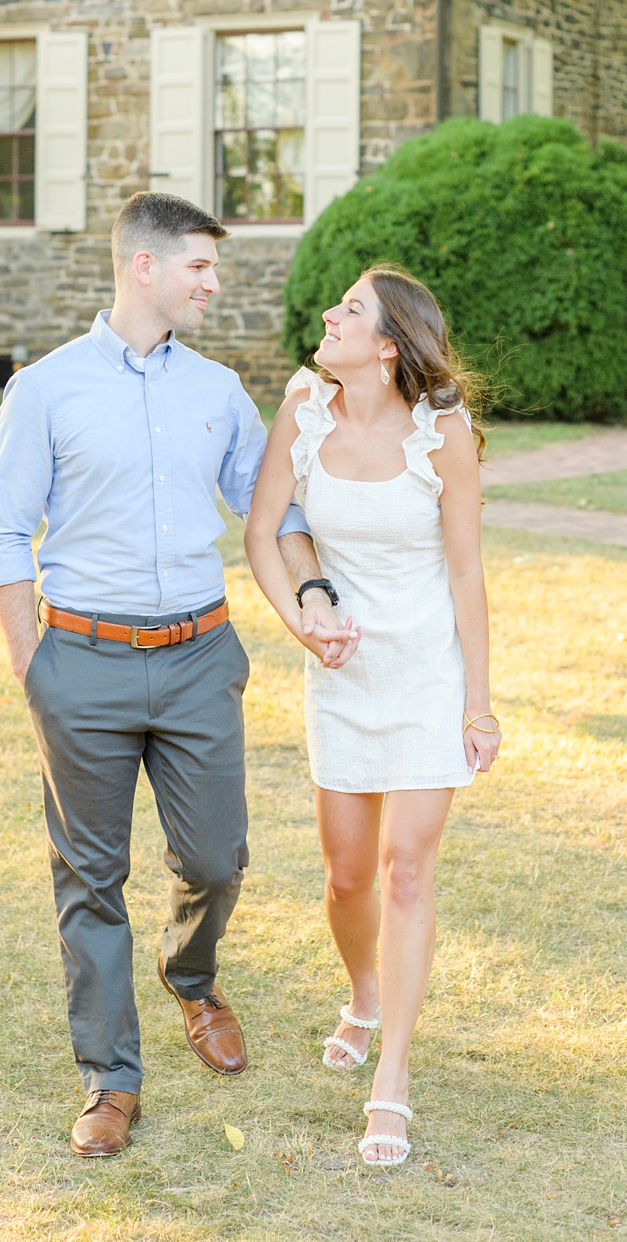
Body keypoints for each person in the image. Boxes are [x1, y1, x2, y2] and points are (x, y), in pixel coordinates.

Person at [0, 190, 330, 1158]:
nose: (216, 284)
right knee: (91, 876)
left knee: (217, 858)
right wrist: (33, 668)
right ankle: (109, 1076)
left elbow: (276, 513)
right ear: (145, 266)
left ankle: (193, 974)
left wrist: (315, 596)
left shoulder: (218, 391)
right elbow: (4, 538)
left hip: (199, 656)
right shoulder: (44, 389)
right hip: (79, 661)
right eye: (201, 269)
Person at [243, 262, 501, 1170]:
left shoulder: (444, 436)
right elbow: (264, 527)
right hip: (343, 674)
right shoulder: (304, 408)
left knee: (404, 874)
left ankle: (390, 1077)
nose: (328, 314)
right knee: (347, 876)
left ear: (388, 345)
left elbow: (466, 572)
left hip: (426, 674)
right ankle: (364, 993)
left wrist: (478, 698)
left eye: (349, 309)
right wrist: (305, 620)